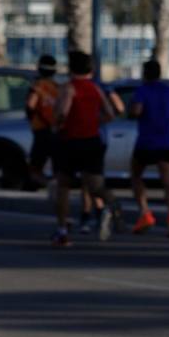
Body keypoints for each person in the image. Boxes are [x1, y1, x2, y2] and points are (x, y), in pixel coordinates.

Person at [51, 50, 117, 247]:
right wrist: (94, 122)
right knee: (95, 184)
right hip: (92, 141)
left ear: (71, 68)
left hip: (70, 141)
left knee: (63, 185)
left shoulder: (69, 88)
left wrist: (58, 124)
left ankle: (63, 230)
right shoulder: (95, 88)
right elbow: (110, 113)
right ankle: (111, 204)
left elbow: (63, 111)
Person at [127, 58, 169, 238]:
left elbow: (136, 111)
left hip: (147, 142)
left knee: (136, 175)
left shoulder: (142, 90)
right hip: (167, 141)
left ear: (144, 73)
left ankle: (145, 213)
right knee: (168, 183)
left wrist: (131, 112)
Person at [25, 54, 60, 188]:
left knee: (35, 166)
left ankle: (45, 185)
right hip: (56, 130)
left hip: (41, 130)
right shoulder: (58, 88)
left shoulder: (37, 87)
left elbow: (31, 105)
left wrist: (30, 117)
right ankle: (57, 187)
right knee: (57, 165)